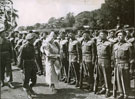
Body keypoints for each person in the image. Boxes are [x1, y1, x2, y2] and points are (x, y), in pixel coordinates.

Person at [112, 30, 134, 99]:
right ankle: (121, 93)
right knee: (118, 80)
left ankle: (126, 94)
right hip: (117, 64)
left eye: (121, 35)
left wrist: (131, 68)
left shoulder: (129, 45)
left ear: (124, 36)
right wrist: (113, 65)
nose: (119, 37)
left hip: (125, 64)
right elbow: (113, 56)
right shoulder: (115, 45)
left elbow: (132, 58)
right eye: (118, 35)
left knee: (125, 80)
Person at [18, 33, 37, 97]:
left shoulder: (33, 46)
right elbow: (20, 57)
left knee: (34, 79)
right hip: (26, 64)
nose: (35, 39)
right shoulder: (24, 47)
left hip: (32, 63)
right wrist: (20, 67)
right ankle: (28, 93)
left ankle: (30, 88)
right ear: (30, 39)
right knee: (26, 79)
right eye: (34, 38)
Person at [94, 30, 112, 98]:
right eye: (100, 34)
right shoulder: (98, 43)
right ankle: (103, 88)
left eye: (103, 34)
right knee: (101, 76)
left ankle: (108, 90)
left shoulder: (109, 43)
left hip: (106, 60)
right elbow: (97, 53)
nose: (101, 36)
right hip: (99, 60)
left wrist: (111, 63)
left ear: (106, 35)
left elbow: (111, 55)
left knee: (106, 76)